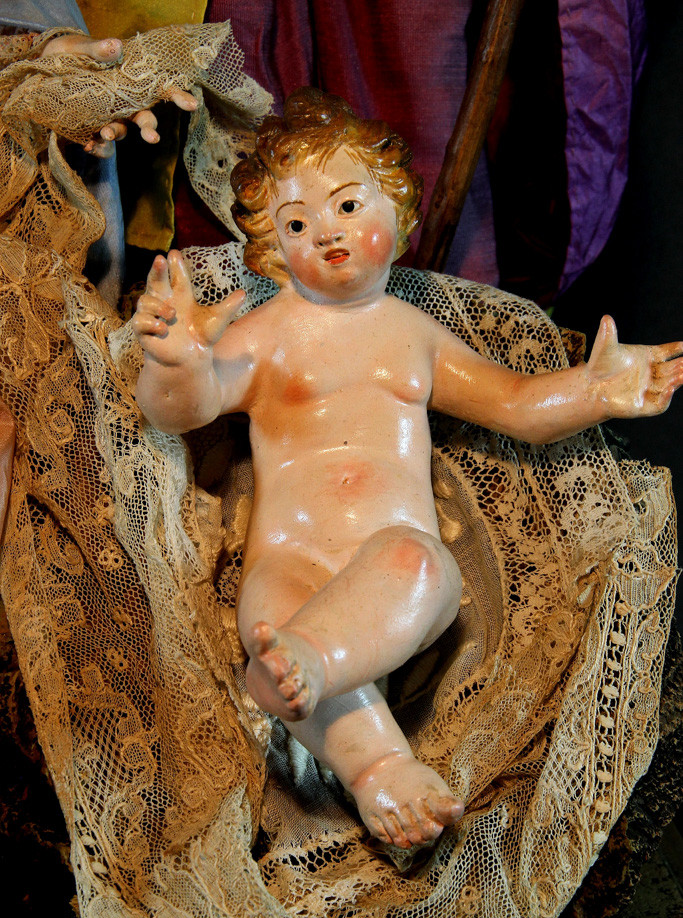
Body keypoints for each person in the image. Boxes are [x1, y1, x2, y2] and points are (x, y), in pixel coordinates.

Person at [132, 87, 683, 852]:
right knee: (280, 624)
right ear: (272, 246)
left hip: (393, 560)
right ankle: (378, 767)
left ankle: (306, 664)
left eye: (347, 205)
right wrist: (178, 361)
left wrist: (593, 391)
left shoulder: (410, 334)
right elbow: (181, 410)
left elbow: (514, 403)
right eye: (297, 223)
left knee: (419, 569)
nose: (327, 233)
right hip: (290, 556)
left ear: (396, 209)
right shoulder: (266, 334)